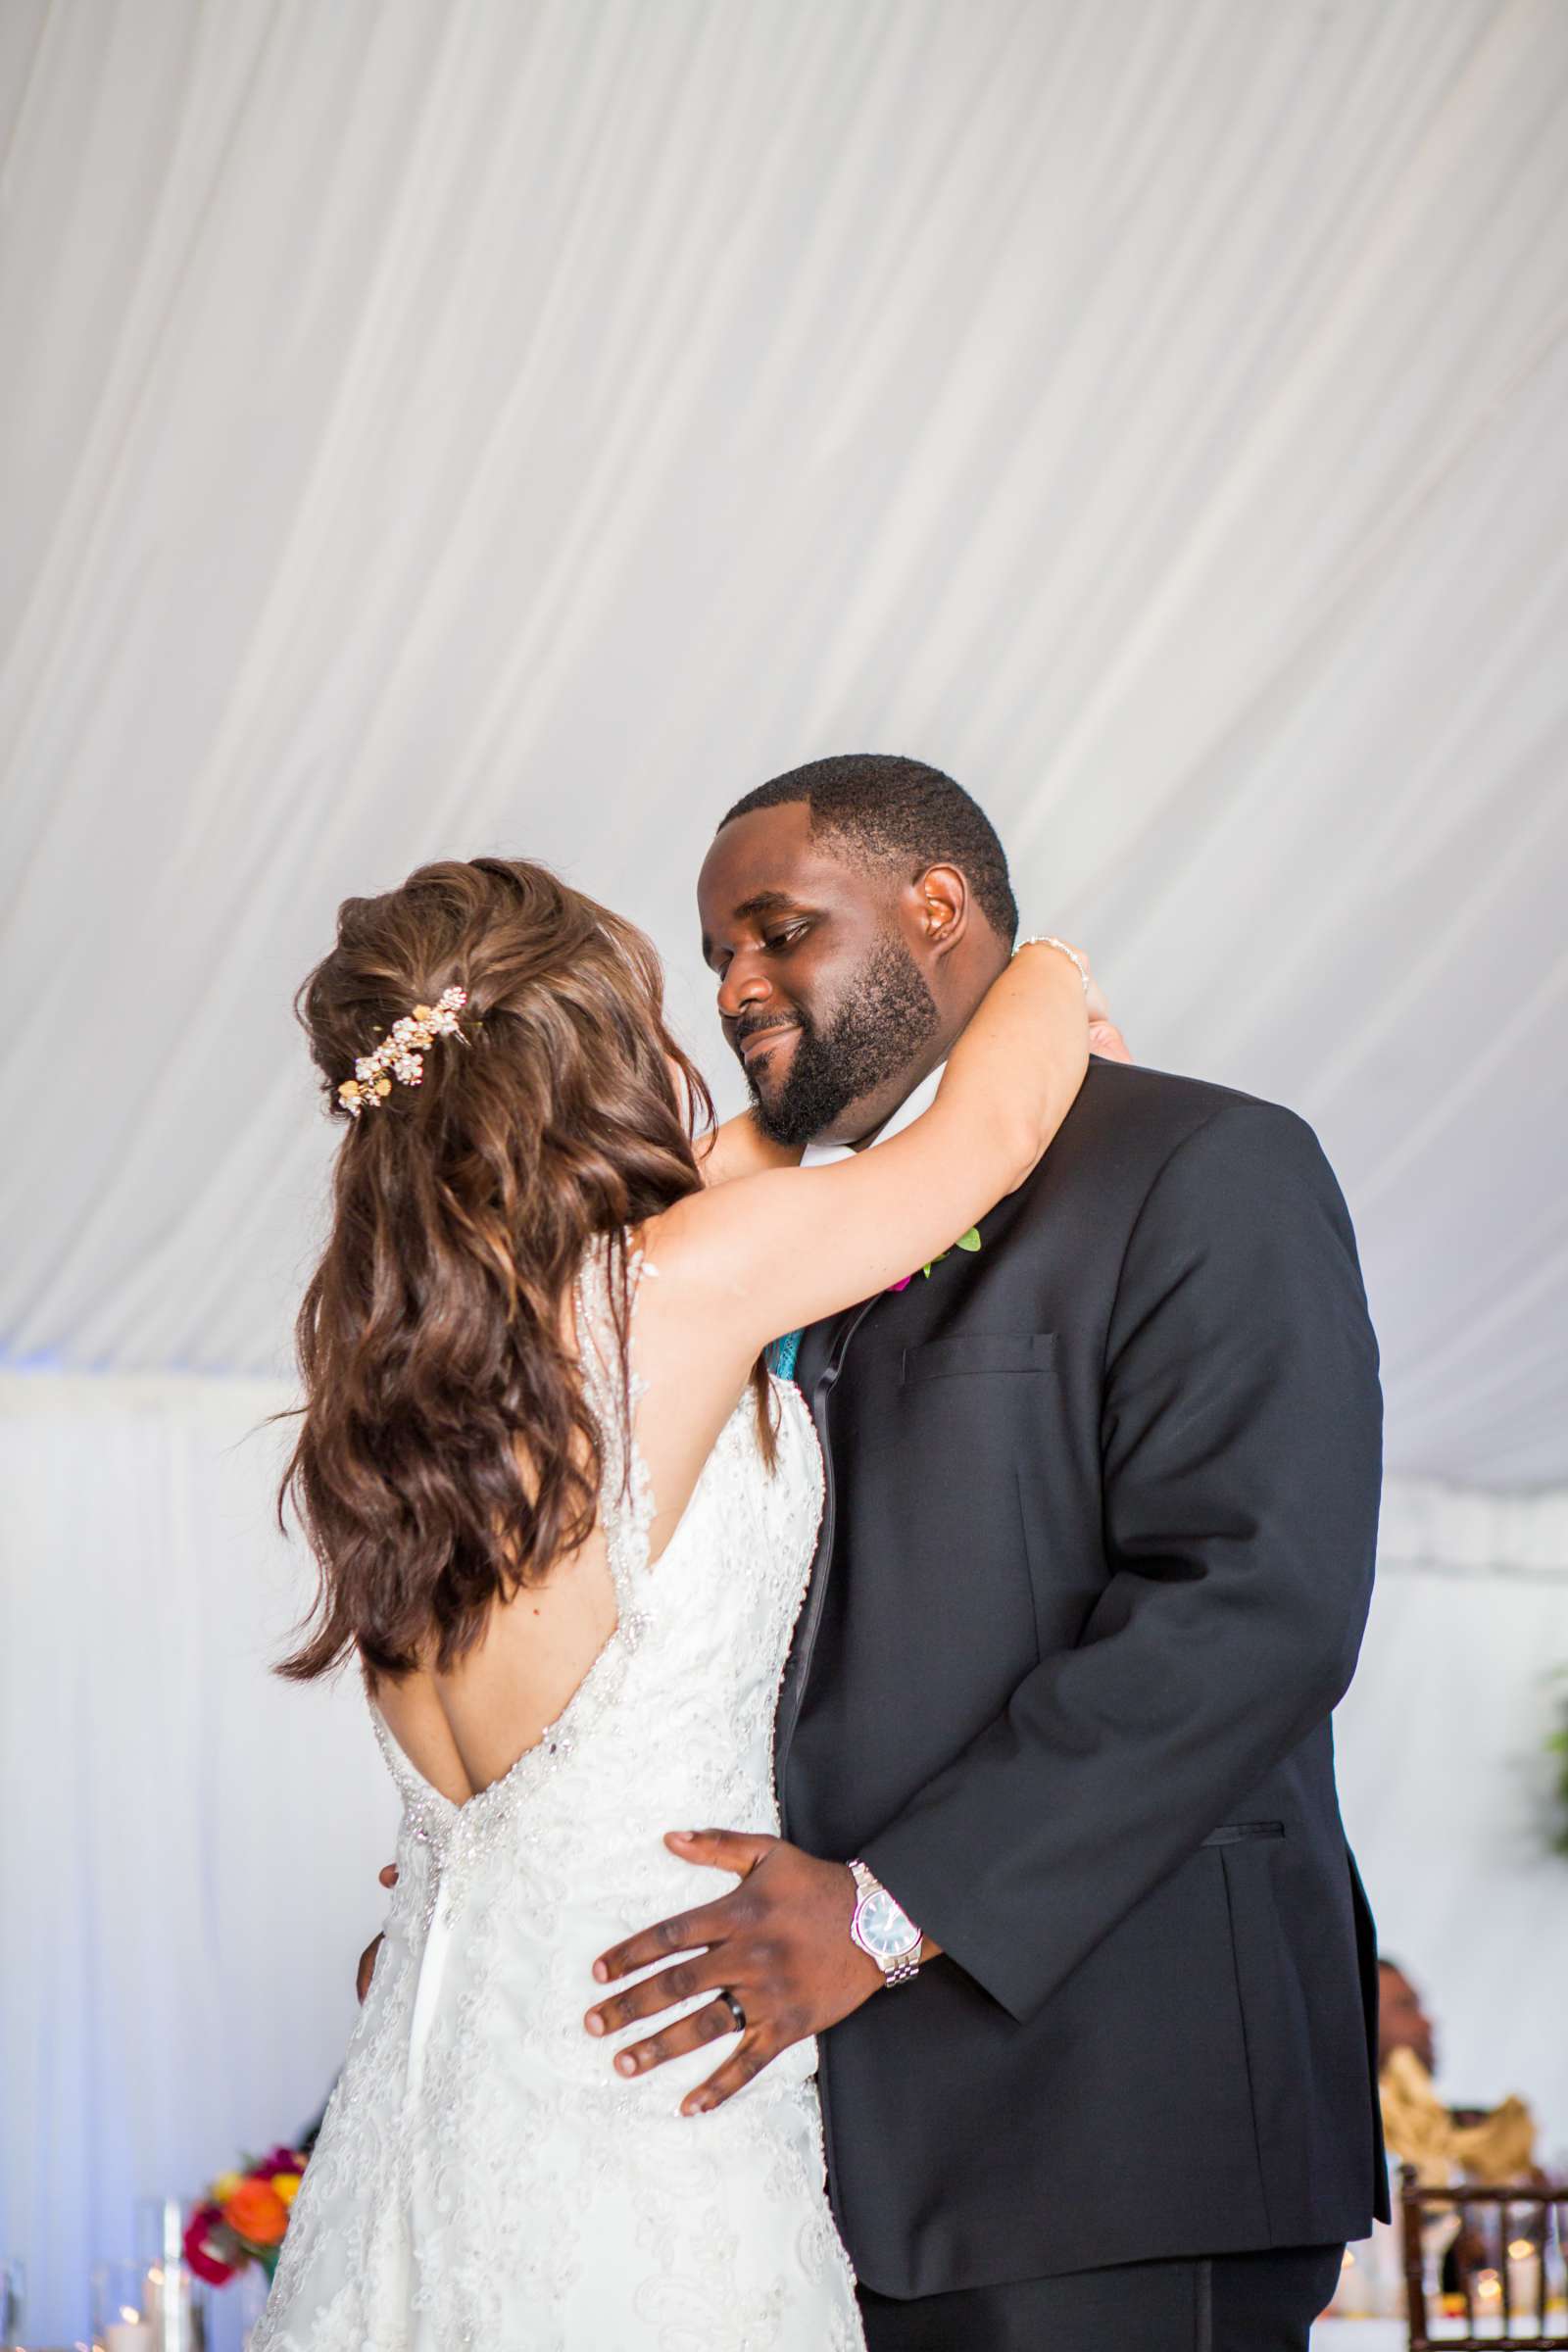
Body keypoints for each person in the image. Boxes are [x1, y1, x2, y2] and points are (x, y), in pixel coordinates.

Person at [571, 755, 1388, 2350]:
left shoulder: (1205, 1168)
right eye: (718, 952)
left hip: (1110, 2126)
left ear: (936, 906)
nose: (734, 986)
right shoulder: (776, 1243)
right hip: (802, 2155)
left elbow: (1253, 1604)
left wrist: (891, 1906)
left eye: (775, 931)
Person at [253, 853, 1094, 2349]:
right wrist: (1032, 972)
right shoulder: (676, 1294)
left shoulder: (385, 1397)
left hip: (423, 2120)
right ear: (595, 1049)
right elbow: (998, 1128)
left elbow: (728, 1191)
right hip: (644, 2118)